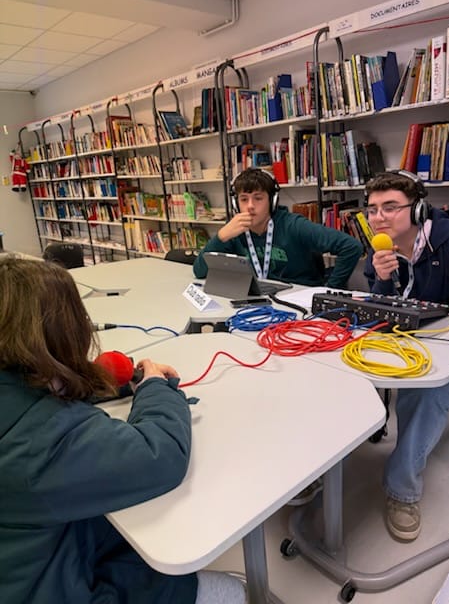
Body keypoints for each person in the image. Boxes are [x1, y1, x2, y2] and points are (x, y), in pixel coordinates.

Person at [0, 256, 246, 604]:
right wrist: (155, 387)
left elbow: (35, 390)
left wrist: (94, 379)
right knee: (231, 592)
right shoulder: (43, 442)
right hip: (49, 588)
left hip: (30, 553)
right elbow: (160, 453)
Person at [364, 171, 449, 542]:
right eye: (372, 209)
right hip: (414, 340)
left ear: (417, 210)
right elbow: (381, 308)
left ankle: (402, 491)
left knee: (426, 390)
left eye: (390, 207)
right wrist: (382, 279)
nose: (379, 217)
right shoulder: (380, 251)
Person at [193, 168, 363, 288]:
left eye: (258, 198)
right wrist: (220, 237)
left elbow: (351, 246)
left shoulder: (294, 225)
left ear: (272, 201)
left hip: (299, 299)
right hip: (259, 300)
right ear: (235, 204)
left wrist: (330, 290)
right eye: (244, 199)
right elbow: (199, 271)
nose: (250, 206)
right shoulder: (234, 230)